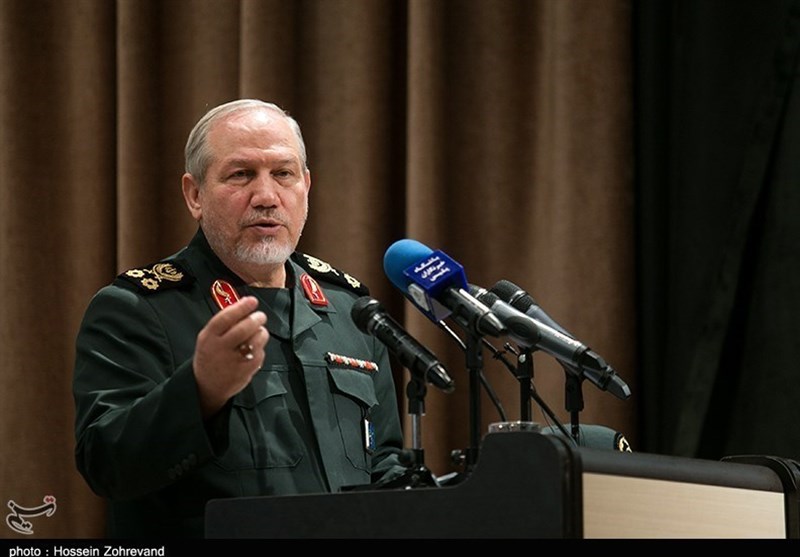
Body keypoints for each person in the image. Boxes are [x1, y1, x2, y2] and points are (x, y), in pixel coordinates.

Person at [73, 99, 408, 538]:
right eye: (241, 175)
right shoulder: (136, 309)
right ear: (195, 195)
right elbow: (106, 465)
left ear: (306, 186)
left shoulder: (351, 310)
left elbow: (383, 465)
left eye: (283, 174)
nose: (266, 197)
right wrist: (201, 391)